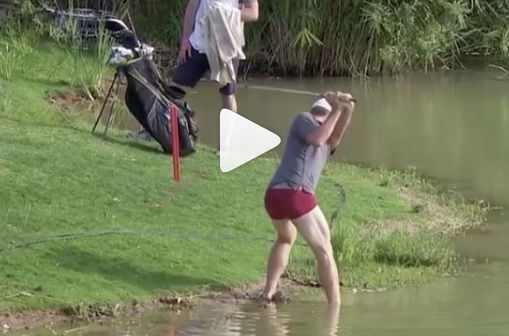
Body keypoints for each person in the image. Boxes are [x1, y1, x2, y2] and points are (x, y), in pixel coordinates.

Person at [262, 91, 355, 305]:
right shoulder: (304, 119)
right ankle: (335, 307)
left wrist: (347, 107)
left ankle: (268, 293)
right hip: (295, 195)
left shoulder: (330, 137)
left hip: (276, 197)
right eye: (327, 116)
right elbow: (317, 138)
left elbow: (335, 134)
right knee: (324, 249)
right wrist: (337, 109)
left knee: (286, 238)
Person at [132, 0, 259, 141]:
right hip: (198, 43)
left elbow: (253, 13)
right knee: (173, 90)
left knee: (227, 94)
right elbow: (192, 6)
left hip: (226, 47)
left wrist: (226, 12)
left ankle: (225, 146)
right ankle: (153, 132)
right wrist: (186, 41)